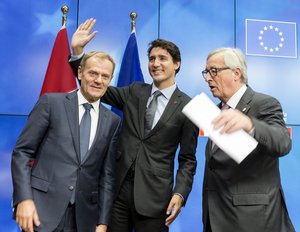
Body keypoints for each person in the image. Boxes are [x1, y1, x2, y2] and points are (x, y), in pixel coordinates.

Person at [69, 19, 198, 232]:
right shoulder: (135, 91)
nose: (155, 63)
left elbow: (188, 159)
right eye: (152, 58)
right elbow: (96, 87)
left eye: (162, 58)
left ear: (177, 64)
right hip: (117, 192)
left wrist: (180, 193)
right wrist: (77, 53)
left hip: (155, 199)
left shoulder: (188, 106)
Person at [11, 51, 121, 232]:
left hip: (84, 219)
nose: (98, 80)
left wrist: (103, 222)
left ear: (110, 80)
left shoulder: (112, 121)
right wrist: (24, 199)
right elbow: (22, 153)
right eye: (93, 73)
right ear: (80, 73)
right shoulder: (51, 103)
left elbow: (107, 176)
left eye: (105, 76)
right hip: (40, 212)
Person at [201, 47, 295, 232]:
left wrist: (249, 124)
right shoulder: (215, 110)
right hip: (215, 218)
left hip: (252, 220)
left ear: (236, 73)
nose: (208, 78)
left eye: (214, 71)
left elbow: (283, 143)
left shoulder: (264, 103)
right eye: (206, 72)